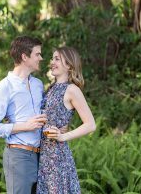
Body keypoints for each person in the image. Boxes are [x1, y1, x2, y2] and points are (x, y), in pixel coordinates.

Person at [0, 36, 47, 194]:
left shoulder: (38, 84)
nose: (41, 58)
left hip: (44, 156)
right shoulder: (3, 87)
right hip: (19, 157)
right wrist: (25, 126)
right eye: (37, 54)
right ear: (24, 57)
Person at [36, 46, 96, 194]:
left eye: (57, 59)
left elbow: (90, 124)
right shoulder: (50, 88)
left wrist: (63, 136)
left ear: (69, 65)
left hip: (56, 157)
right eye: (52, 58)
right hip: (41, 155)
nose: (52, 62)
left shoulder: (72, 90)